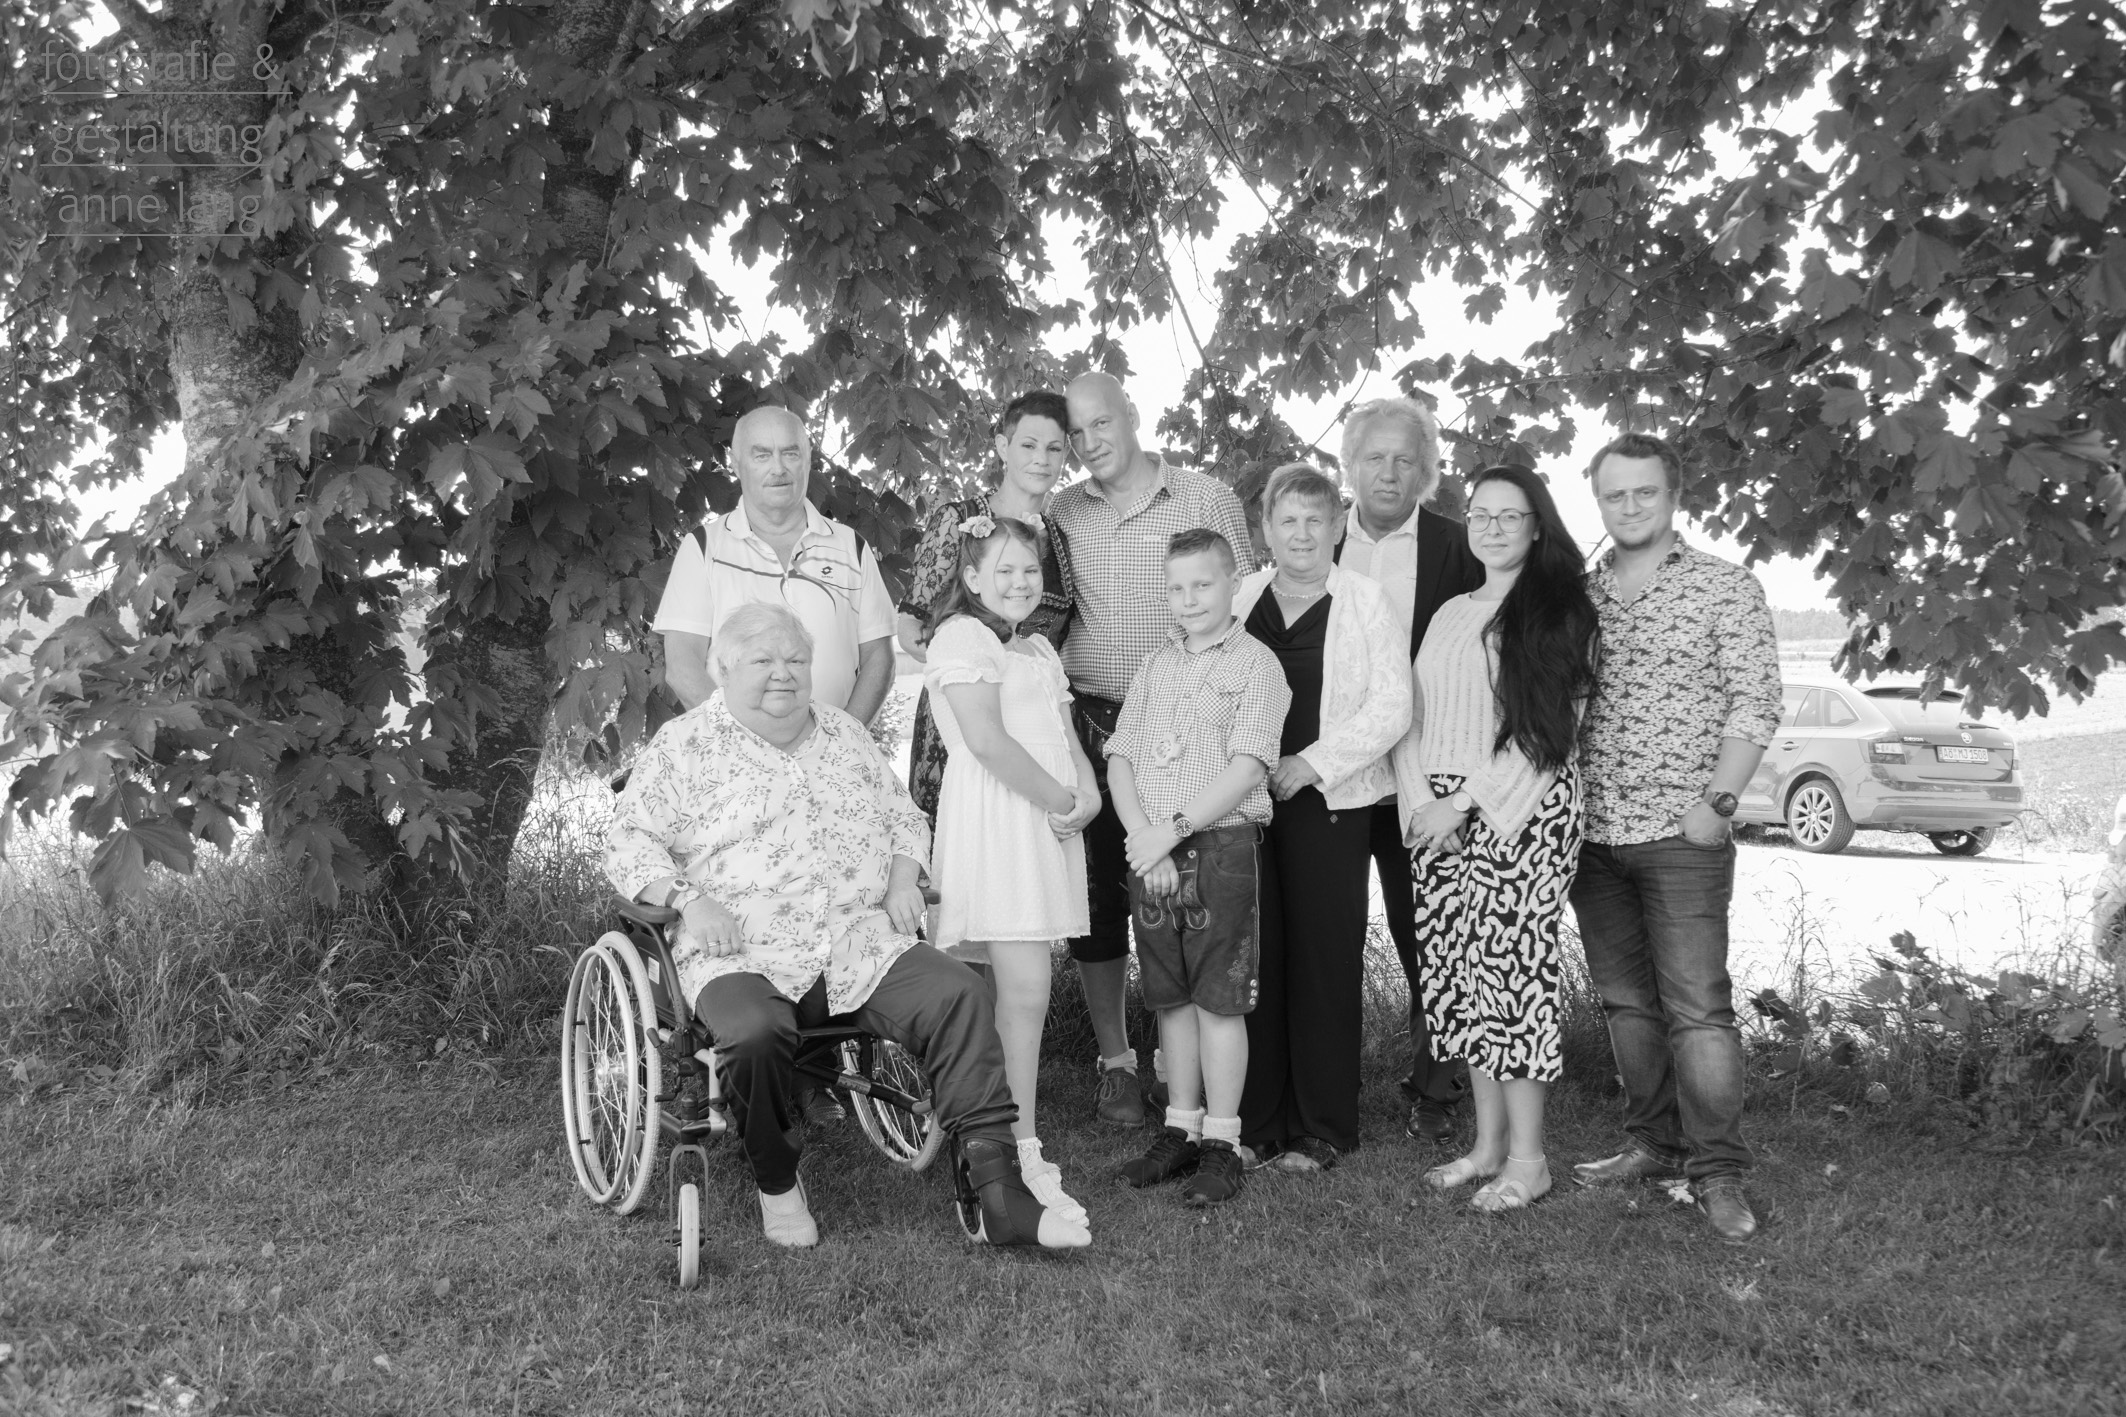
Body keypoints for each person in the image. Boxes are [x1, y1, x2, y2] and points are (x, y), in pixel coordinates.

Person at [603, 603, 1091, 1251]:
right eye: (763, 660)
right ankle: (778, 1181)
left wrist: (902, 878)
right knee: (752, 1033)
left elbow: (905, 819)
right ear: (722, 669)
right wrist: (689, 901)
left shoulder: (845, 735)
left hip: (859, 944)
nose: (783, 673)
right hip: (741, 949)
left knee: (961, 994)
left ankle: (1000, 1193)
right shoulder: (683, 746)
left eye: (796, 659)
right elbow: (629, 842)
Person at [1566, 433, 1783, 1242]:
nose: (1629, 506)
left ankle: (1718, 1170)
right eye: (1614, 494)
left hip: (1682, 831)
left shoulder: (1725, 587)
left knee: (1698, 1007)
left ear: (1672, 495)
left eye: (1644, 492)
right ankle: (1654, 1144)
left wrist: (1718, 802)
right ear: (1600, 501)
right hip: (1594, 832)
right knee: (1626, 1001)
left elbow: (1756, 700)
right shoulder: (1581, 596)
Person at [1048, 372, 1258, 1125]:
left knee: (1195, 892)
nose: (1089, 443)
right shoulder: (1062, 511)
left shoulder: (1206, 498)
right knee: (1100, 898)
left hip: (1191, 726)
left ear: (1132, 414)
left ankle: (1187, 1067)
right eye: (1075, 433)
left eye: (1100, 423)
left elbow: (1247, 599)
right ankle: (1117, 1063)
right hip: (1092, 722)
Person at [1395, 464, 1598, 1212]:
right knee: (1458, 978)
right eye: (1481, 514)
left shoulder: (1559, 610)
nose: (1493, 527)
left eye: (1511, 515)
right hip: (1440, 819)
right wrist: (1424, 804)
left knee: (1511, 982)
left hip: (1523, 812)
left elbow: (1547, 735)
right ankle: (1485, 1148)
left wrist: (1462, 804)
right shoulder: (1452, 612)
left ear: (1538, 526)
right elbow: (1411, 719)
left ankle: (1528, 1160)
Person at [1232, 464, 1412, 1172]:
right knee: (1255, 958)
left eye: (1316, 519)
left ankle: (1323, 1125)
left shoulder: (1365, 600)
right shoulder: (1242, 596)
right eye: (1288, 520)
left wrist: (1311, 763)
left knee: (1323, 959)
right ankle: (1258, 1120)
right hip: (1246, 804)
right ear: (1266, 529)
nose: (1302, 533)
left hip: (1330, 804)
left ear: (1339, 527)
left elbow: (1393, 705)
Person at [923, 513, 1102, 1220]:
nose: (1021, 582)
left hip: (1048, 818)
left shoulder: (1038, 647)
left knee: (1019, 991)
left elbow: (1064, 733)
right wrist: (1061, 800)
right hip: (1002, 819)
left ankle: (993, 1133)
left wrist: (1086, 793)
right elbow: (987, 742)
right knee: (1024, 991)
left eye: (1030, 570)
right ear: (972, 578)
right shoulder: (961, 637)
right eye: (1004, 571)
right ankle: (1020, 1151)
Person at [1104, 529, 1290, 1206]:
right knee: (1170, 994)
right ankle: (1179, 1129)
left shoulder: (1257, 665)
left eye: (1203, 584)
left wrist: (1173, 830)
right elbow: (1121, 754)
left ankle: (1222, 1141)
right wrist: (1143, 836)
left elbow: (1249, 765)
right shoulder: (1155, 664)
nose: (1189, 599)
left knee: (1218, 997)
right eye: (1176, 587)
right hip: (1151, 851)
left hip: (1219, 848)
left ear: (1233, 582)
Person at [1334, 397, 1486, 1142]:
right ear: (1350, 466)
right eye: (1374, 458)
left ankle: (1437, 1084)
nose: (1388, 473)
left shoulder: (1461, 548)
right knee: (1329, 934)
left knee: (1428, 933)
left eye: (1404, 459)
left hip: (1427, 775)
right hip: (1333, 775)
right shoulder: (1319, 538)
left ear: (1426, 471)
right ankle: (1328, 1082)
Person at [899, 393, 1079, 820]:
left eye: (1054, 448)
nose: (1041, 459)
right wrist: (977, 675)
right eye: (1028, 445)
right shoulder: (957, 521)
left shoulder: (1057, 538)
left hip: (1040, 732)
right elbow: (910, 628)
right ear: (1002, 446)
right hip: (965, 729)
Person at [653, 406, 895, 723]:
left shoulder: (852, 546)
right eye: (762, 455)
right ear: (736, 464)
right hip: (732, 750)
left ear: (808, 459)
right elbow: (683, 666)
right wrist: (741, 744)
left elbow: (879, 659)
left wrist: (842, 741)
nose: (778, 468)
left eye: (790, 453)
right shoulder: (702, 547)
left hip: (834, 751)